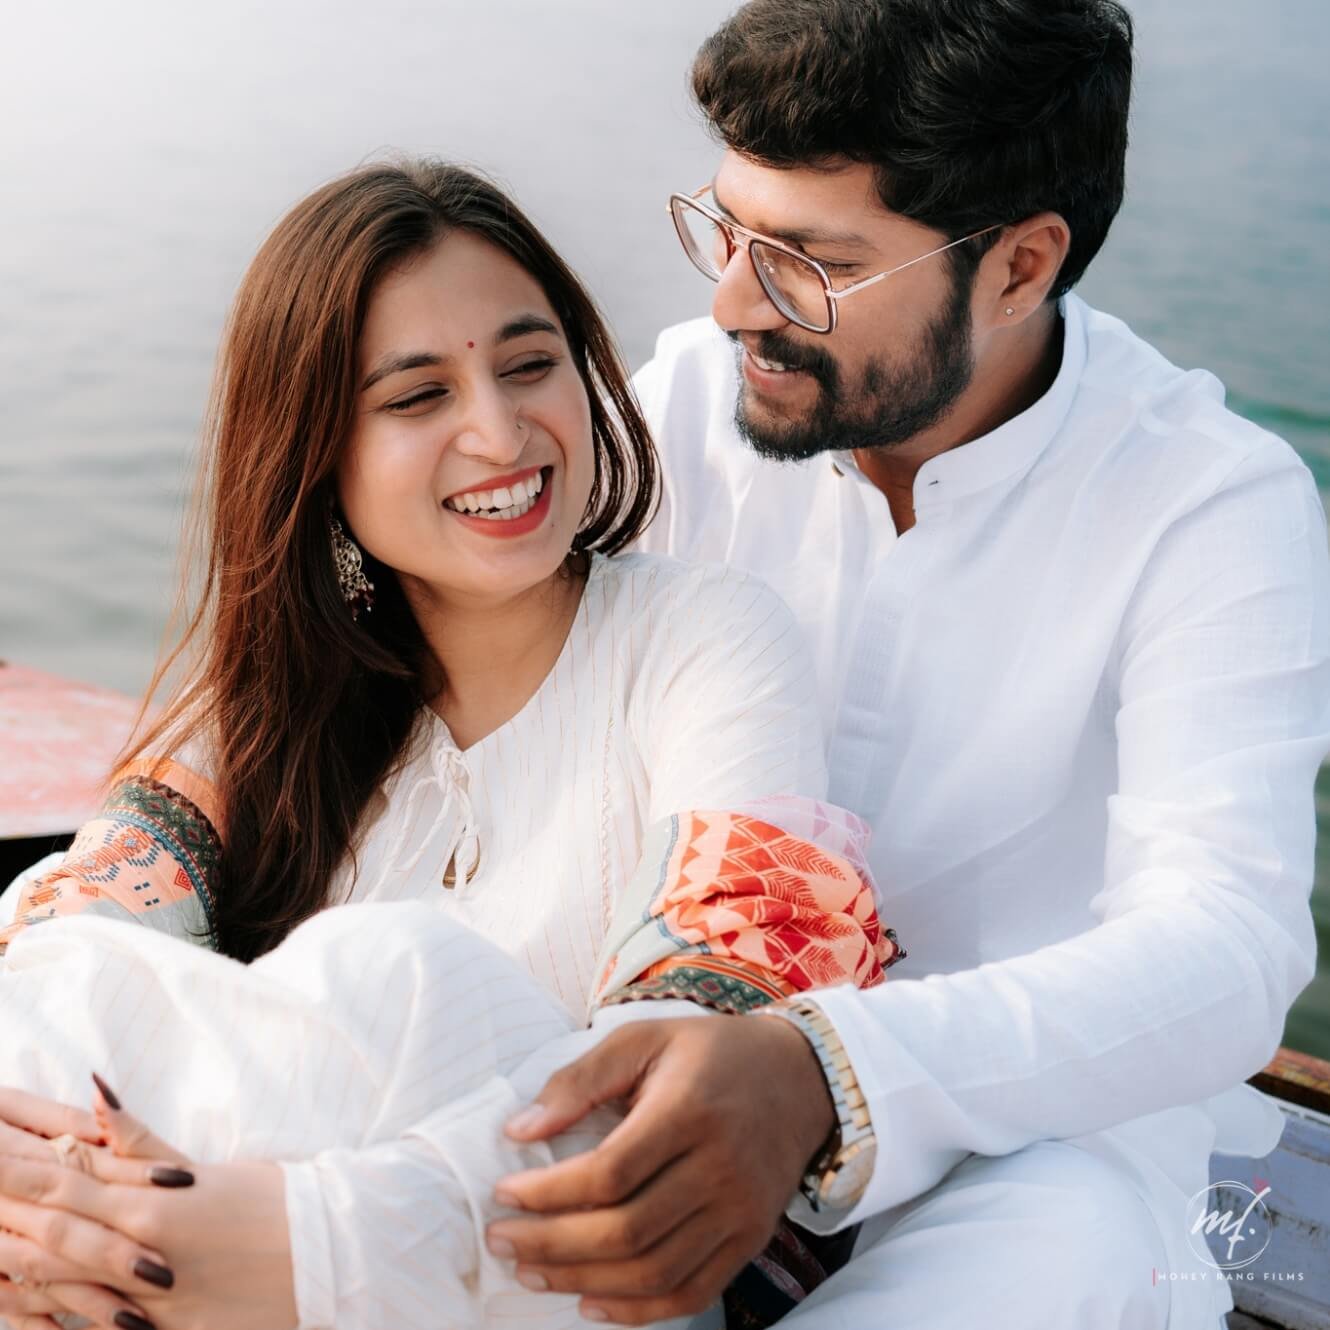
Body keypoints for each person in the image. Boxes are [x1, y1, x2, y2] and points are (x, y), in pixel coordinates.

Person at [471, 4, 1330, 1329]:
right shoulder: (694, 393)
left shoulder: (1208, 503)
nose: (730, 300)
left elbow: (1226, 945)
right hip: (658, 1041)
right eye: (728, 228)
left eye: (809, 260)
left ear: (1017, 267)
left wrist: (821, 1070)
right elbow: (466, 651)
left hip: (1029, 1146)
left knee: (1076, 1245)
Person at [0, 157, 904, 1330]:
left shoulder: (703, 639)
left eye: (530, 365)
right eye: (417, 396)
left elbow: (687, 1078)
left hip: (580, 1275)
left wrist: (306, 1236)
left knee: (384, 974)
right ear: (318, 456)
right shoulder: (264, 706)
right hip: (194, 1258)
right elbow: (75, 956)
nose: (497, 429)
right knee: (67, 970)